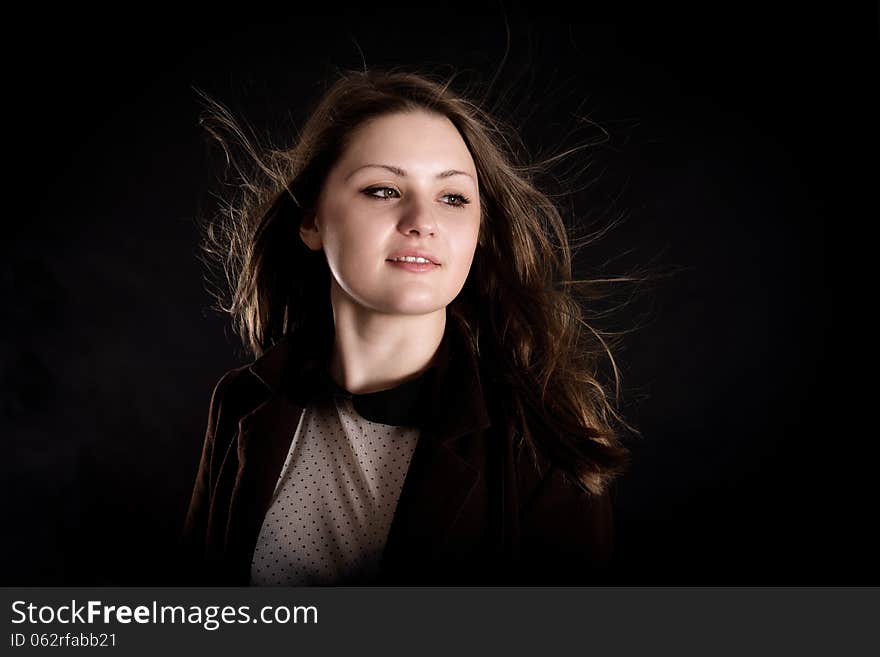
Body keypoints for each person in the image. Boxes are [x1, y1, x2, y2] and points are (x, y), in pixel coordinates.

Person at [180, 67, 638, 586]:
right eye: (382, 190)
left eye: (453, 197)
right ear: (311, 221)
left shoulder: (542, 444)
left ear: (478, 231)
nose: (423, 220)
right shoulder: (242, 401)